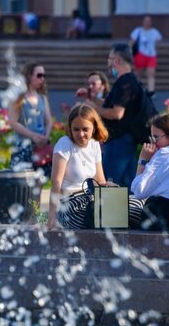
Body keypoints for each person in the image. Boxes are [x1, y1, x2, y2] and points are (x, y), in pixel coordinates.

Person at [84, 43, 145, 187]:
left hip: (119, 141)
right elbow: (113, 105)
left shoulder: (124, 83)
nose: (108, 62)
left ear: (116, 61)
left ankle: (102, 203)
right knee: (127, 185)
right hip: (127, 140)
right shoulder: (132, 80)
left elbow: (117, 113)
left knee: (104, 184)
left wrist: (94, 108)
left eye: (110, 58)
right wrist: (93, 99)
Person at [47, 104, 108, 230]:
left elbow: (100, 181)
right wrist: (51, 217)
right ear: (70, 128)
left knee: (128, 209)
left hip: (88, 200)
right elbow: (56, 182)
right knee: (96, 217)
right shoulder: (65, 143)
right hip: (68, 204)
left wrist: (110, 188)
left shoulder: (94, 144)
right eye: (76, 129)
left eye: (85, 129)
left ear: (94, 128)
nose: (81, 134)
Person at [7, 62, 53, 172]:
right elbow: (13, 122)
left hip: (41, 147)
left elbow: (49, 121)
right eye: (39, 75)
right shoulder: (18, 97)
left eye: (44, 76)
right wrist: (32, 136)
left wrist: (46, 137)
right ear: (29, 76)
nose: (42, 79)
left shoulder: (42, 98)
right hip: (23, 146)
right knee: (21, 179)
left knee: (42, 178)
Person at [129, 16, 162, 95]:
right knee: (138, 74)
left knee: (151, 74)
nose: (147, 23)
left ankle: (151, 92)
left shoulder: (154, 32)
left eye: (149, 21)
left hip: (152, 55)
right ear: (143, 22)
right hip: (140, 54)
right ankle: (135, 90)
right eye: (146, 21)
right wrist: (129, 53)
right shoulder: (138, 31)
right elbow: (131, 42)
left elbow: (159, 40)